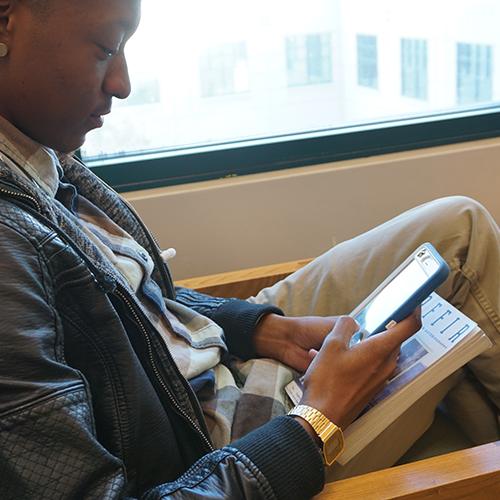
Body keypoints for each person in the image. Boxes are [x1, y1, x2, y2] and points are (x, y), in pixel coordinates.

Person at [0, 0, 498, 498]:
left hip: (214, 361)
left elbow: (134, 301)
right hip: (227, 453)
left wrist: (261, 328)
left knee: (460, 231)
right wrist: (315, 423)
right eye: (106, 49)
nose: (122, 84)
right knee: (459, 381)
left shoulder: (37, 156)